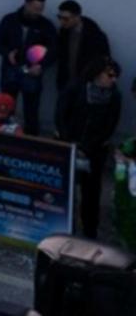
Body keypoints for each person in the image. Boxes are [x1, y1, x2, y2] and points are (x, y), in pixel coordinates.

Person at [56, 57, 123, 238]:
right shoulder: (76, 88)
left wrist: (87, 147)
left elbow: (109, 126)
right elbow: (62, 115)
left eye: (115, 76)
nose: (113, 79)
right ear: (97, 73)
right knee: (65, 189)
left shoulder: (114, 97)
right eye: (110, 75)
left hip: (94, 151)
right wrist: (69, 141)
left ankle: (89, 231)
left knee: (91, 193)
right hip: (69, 146)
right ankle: (63, 228)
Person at [0, 0, 55, 135]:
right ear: (26, 4)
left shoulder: (46, 25)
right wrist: (7, 53)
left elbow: (54, 50)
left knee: (31, 111)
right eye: (35, 8)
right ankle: (2, 137)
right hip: (10, 70)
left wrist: (42, 65)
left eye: (41, 9)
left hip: (32, 72)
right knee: (5, 106)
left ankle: (30, 143)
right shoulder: (9, 20)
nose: (37, 12)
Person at [54, 0, 112, 94]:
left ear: (77, 17)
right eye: (59, 17)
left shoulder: (95, 35)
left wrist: (107, 78)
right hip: (66, 83)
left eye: (65, 18)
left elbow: (106, 59)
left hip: (86, 85)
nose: (61, 21)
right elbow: (57, 52)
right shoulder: (63, 33)